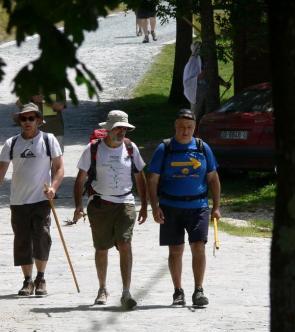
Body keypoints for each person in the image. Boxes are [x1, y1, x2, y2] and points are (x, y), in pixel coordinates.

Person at [73, 110, 147, 310]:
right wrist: (78, 205)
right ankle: (103, 288)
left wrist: (145, 206)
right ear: (108, 130)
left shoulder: (131, 148)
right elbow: (80, 179)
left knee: (125, 243)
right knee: (101, 248)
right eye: (117, 128)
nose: (121, 132)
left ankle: (126, 292)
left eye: (124, 128)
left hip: (125, 203)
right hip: (100, 204)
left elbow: (140, 177)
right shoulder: (93, 149)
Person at [147, 108, 221, 307]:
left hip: (198, 207)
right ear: (175, 127)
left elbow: (213, 178)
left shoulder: (202, 148)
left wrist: (216, 206)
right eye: (181, 127)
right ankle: (178, 291)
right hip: (170, 206)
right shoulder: (165, 148)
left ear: (194, 127)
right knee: (176, 250)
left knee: (198, 247)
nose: (185, 131)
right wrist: (154, 207)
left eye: (189, 127)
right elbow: (152, 180)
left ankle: (199, 290)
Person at [0, 103, 64, 296]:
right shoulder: (11, 144)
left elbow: (59, 168)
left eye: (31, 118)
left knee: (42, 237)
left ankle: (41, 277)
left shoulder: (48, 139)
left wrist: (53, 187)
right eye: (23, 119)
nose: (27, 122)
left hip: (42, 199)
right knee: (22, 241)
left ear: (38, 120)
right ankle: (27, 281)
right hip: (18, 201)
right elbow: (1, 172)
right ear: (19, 121)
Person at [183, 42, 231, 128]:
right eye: (198, 48)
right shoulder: (192, 62)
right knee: (196, 116)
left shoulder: (206, 60)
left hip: (208, 93)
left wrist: (224, 84)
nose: (200, 50)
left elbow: (213, 75)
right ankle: (193, 135)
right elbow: (187, 80)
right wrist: (199, 76)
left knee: (209, 116)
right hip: (197, 93)